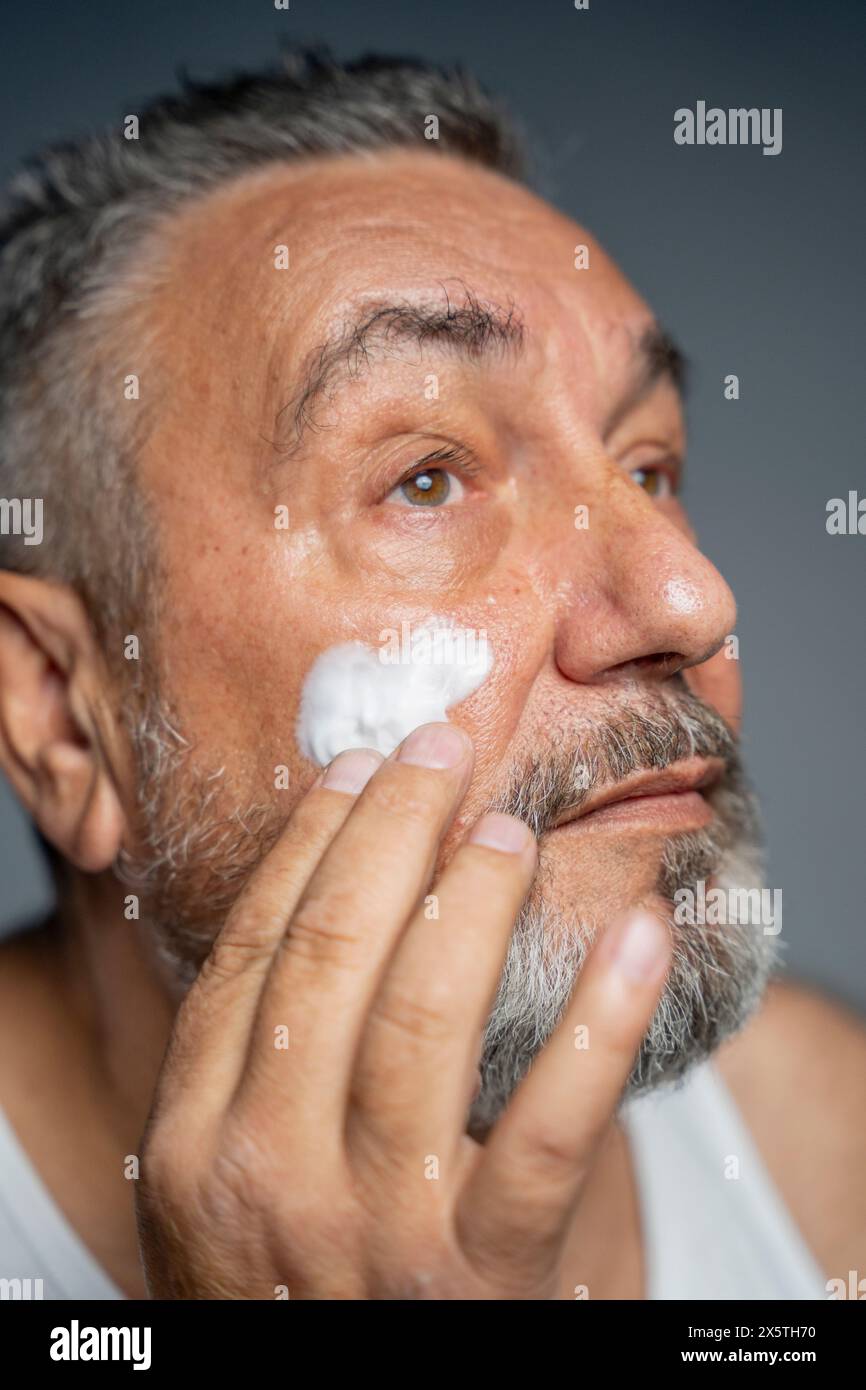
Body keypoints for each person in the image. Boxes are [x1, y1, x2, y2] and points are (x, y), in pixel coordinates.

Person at [0, 49, 862, 1301]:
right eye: (424, 479)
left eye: (647, 467)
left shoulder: (819, 1152)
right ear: (64, 718)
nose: (689, 598)